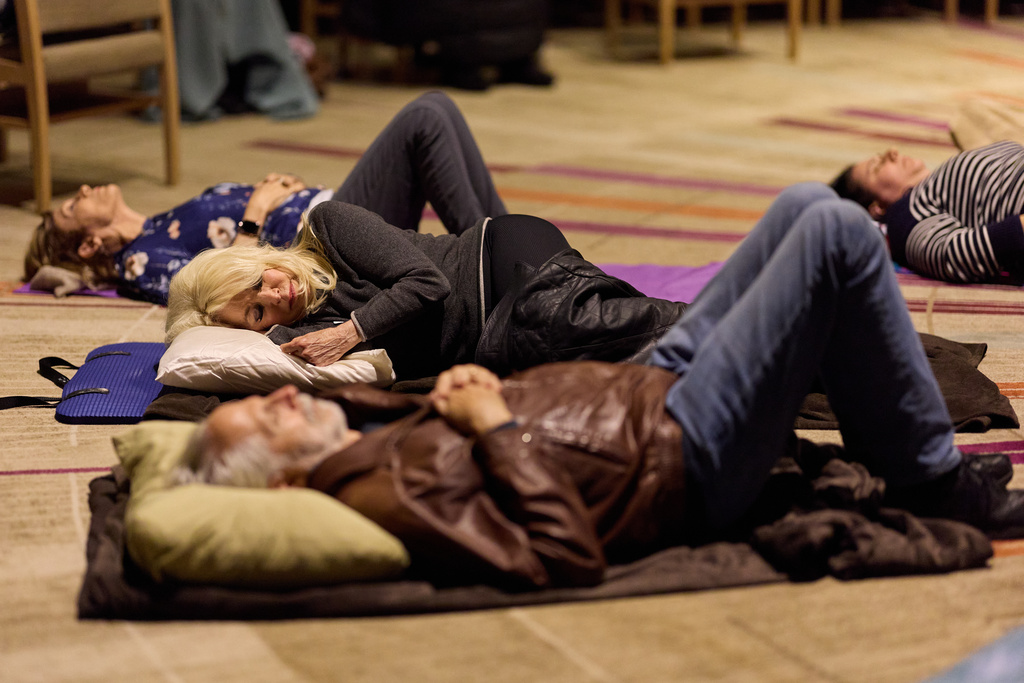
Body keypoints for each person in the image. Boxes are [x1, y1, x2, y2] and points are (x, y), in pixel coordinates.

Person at [173, 183, 1024, 590]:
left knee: (805, 206)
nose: (284, 396)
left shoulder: (362, 441)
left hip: (648, 391)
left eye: (263, 394)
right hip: (681, 446)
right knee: (838, 232)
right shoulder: (387, 495)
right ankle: (932, 483)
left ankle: (905, 451)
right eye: (266, 418)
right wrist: (495, 422)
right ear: (283, 481)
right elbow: (565, 557)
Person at [23, 91, 507, 304]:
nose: (82, 191)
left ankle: (507, 247)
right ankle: (502, 259)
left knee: (436, 107)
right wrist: (256, 211)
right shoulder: (139, 261)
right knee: (423, 117)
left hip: (334, 212)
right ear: (88, 245)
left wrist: (277, 193)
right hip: (330, 248)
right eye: (73, 206)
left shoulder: (158, 223)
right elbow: (218, 289)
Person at [164, 196, 574, 380]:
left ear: (259, 260)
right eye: (258, 312)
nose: (274, 296)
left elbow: (429, 283)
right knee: (585, 360)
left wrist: (350, 332)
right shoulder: (292, 338)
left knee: (569, 323)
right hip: (490, 337)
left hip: (495, 259)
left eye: (258, 281)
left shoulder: (327, 226)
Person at [830, 141, 1024, 284]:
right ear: (877, 208)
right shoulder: (904, 221)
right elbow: (959, 254)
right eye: (877, 165)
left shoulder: (932, 188)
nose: (893, 151)